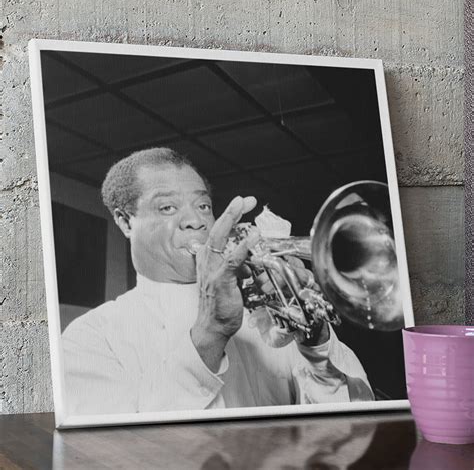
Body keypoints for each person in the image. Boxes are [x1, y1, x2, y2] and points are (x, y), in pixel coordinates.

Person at [62, 147, 374, 415]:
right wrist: (209, 334)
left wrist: (315, 340)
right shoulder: (90, 337)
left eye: (203, 206)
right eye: (167, 207)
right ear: (126, 221)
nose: (196, 221)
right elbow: (115, 454)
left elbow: (352, 421)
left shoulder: (266, 314)